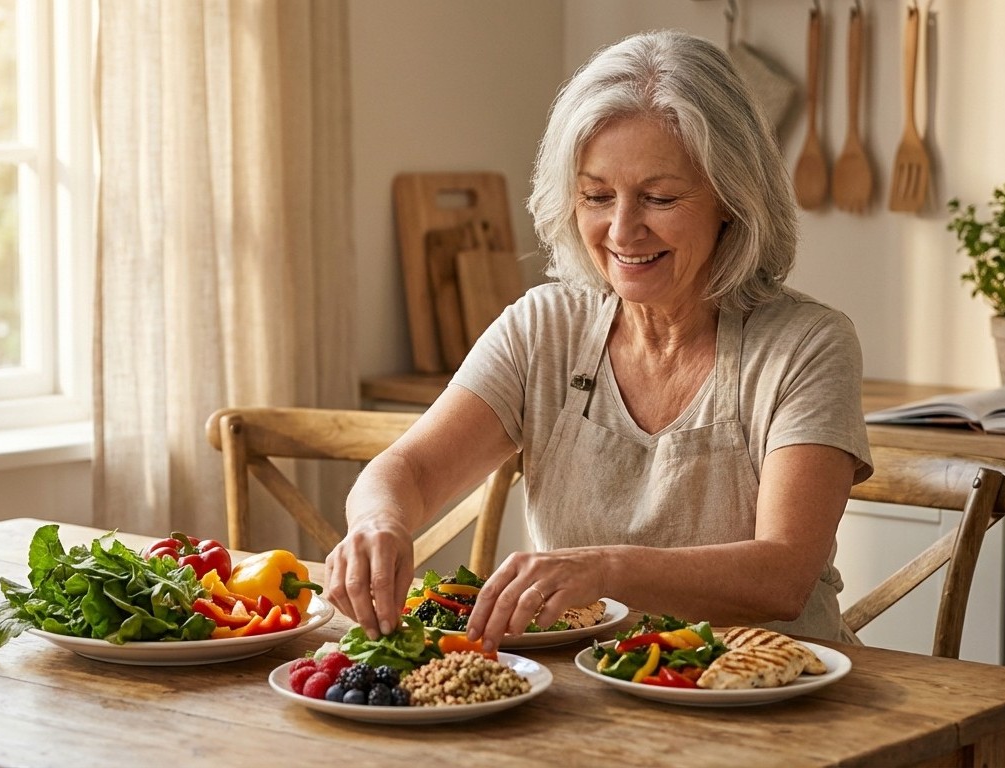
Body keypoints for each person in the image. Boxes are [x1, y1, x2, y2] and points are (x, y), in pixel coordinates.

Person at [324, 29, 873, 652]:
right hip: (590, 696)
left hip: (780, 694)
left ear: (732, 198)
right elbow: (409, 470)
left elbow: (783, 575)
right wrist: (380, 522)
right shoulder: (545, 327)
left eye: (660, 197)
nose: (622, 230)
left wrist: (604, 570)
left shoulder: (808, 344)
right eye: (596, 196)